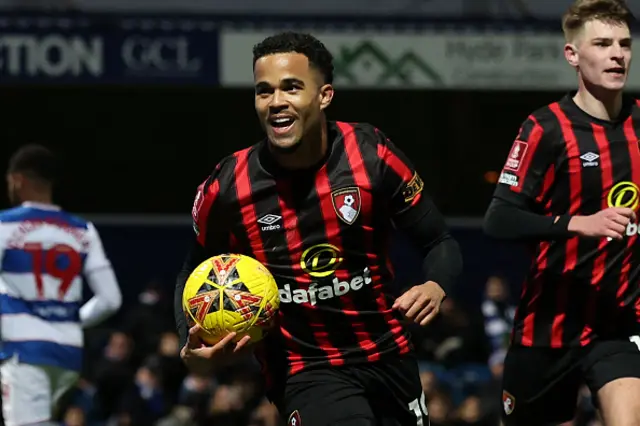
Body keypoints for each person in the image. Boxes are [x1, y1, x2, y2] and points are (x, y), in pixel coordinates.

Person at [174, 31, 463, 426]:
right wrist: (190, 348)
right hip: (304, 369)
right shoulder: (227, 186)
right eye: (264, 91)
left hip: (389, 356)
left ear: (324, 95)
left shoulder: (372, 154)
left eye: (291, 88)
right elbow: (193, 269)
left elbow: (439, 241)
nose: (276, 102)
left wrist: (435, 285)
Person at [483, 0, 640, 425]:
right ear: (572, 55)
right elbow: (498, 218)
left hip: (617, 322)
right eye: (603, 43)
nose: (617, 54)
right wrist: (578, 224)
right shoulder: (545, 128)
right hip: (548, 326)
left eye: (624, 43)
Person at [0, 144, 122, 426]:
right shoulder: (82, 230)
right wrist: (70, 322)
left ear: (18, 179)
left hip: (24, 352)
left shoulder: (4, 226)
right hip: (67, 353)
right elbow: (110, 300)